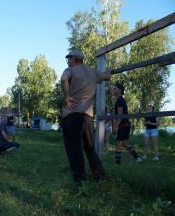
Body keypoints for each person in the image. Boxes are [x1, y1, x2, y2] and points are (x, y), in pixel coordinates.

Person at [60, 49, 111, 183]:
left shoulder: (69, 70)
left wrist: (67, 97)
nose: (67, 61)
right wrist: (108, 71)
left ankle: (80, 179)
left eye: (69, 58)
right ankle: (100, 176)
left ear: (74, 59)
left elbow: (64, 79)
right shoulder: (93, 72)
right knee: (89, 147)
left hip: (71, 115)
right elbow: (107, 76)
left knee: (74, 148)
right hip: (87, 116)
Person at [112, 83, 142, 165]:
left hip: (123, 125)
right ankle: (137, 158)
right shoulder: (119, 99)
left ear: (120, 90)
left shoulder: (120, 100)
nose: (112, 90)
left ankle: (117, 164)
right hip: (125, 124)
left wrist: (115, 126)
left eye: (114, 89)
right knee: (125, 143)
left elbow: (120, 115)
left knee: (118, 144)